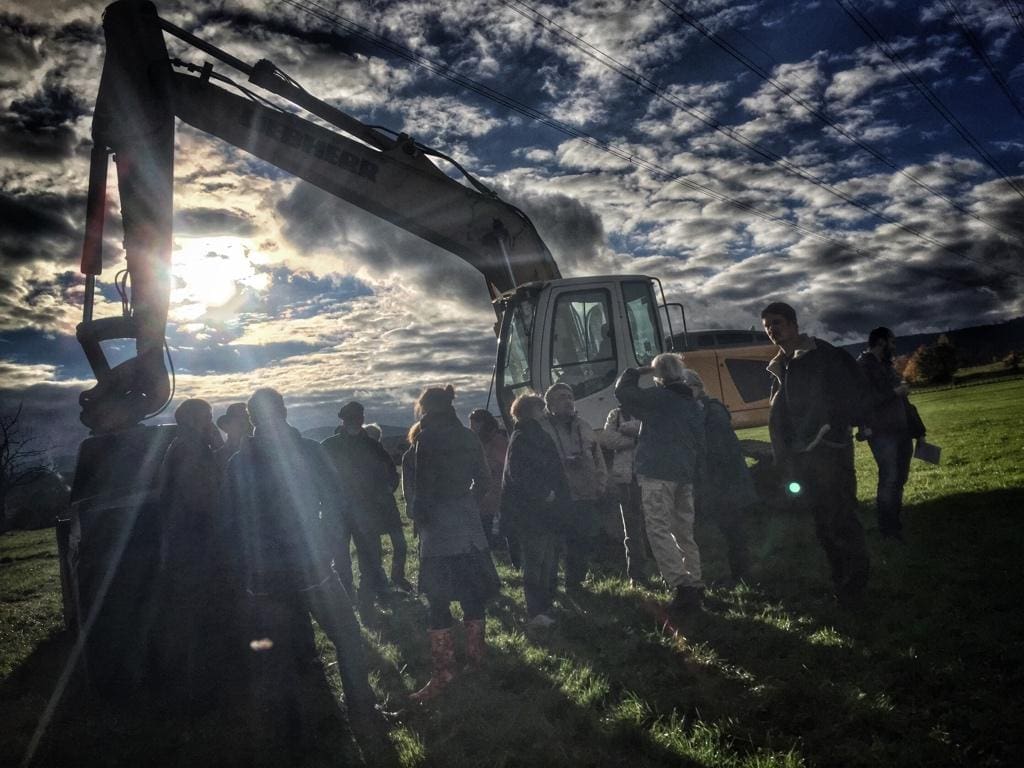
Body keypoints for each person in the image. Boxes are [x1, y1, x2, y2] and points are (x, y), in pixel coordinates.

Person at [222, 388, 384, 730]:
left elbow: (231, 521)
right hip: (312, 566)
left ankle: (298, 724)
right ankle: (360, 710)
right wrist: (326, 545)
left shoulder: (238, 462)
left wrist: (246, 569)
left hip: (266, 575)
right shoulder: (308, 451)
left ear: (252, 419)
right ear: (283, 410)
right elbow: (336, 503)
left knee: (282, 650)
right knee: (348, 637)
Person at [761, 301, 870, 607]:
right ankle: (841, 582)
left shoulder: (823, 355)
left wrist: (832, 430)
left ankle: (855, 586)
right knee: (822, 522)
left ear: (794, 324)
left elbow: (853, 392)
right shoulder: (780, 364)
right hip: (800, 457)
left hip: (828, 451)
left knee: (841, 518)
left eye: (777, 322)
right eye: (767, 325)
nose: (772, 329)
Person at [402, 385, 500, 702]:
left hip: (440, 535)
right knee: (474, 597)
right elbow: (484, 481)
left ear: (425, 408)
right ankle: (477, 662)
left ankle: (444, 673)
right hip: (470, 531)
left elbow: (420, 495)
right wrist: (465, 503)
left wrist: (424, 516)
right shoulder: (468, 437)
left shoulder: (424, 441)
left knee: (438, 601)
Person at [614, 354, 707, 612]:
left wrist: (637, 371)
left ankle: (681, 585)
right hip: (684, 474)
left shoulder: (659, 398)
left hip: (657, 471)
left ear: (658, 375)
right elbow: (701, 442)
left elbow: (623, 393)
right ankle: (696, 581)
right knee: (684, 530)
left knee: (658, 528)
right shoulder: (692, 404)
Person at [156, 398, 230, 706]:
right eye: (209, 418)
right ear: (197, 421)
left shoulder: (181, 447)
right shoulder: (191, 451)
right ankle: (201, 692)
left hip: (183, 545)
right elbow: (204, 502)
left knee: (191, 615)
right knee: (201, 615)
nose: (212, 423)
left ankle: (191, 685)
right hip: (195, 547)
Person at [500, 393, 571, 627]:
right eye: (540, 409)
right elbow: (519, 474)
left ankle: (545, 606)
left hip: (542, 511)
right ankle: (536, 610)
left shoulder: (528, 434)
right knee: (537, 562)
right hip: (533, 512)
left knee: (547, 560)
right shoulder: (524, 437)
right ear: (531, 411)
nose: (544, 413)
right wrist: (544, 493)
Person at [679, 368, 755, 584]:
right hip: (716, 481)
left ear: (697, 387)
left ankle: (742, 575)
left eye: (687, 388)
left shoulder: (712, 411)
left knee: (733, 529)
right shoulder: (698, 411)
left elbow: (719, 450)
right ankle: (736, 574)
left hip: (725, 481)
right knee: (727, 529)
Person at [320, 401, 393, 614]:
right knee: (347, 560)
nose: (355, 421)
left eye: (357, 417)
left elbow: (390, 476)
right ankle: (355, 602)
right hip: (347, 512)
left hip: (353, 512)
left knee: (363, 559)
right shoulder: (366, 446)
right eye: (352, 418)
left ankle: (362, 601)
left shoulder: (330, 446)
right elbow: (390, 476)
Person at [541, 383, 608, 593]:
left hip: (585, 493)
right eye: (561, 397)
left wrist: (601, 483)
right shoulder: (542, 428)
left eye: (570, 396)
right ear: (550, 404)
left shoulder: (584, 426)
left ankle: (575, 583)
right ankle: (550, 586)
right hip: (557, 496)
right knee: (555, 543)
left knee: (582, 539)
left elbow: (598, 458)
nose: (568, 401)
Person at [857, 326, 918, 541]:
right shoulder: (863, 367)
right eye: (892, 342)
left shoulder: (887, 366)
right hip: (882, 433)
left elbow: (903, 401)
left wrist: (918, 430)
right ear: (881, 342)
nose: (894, 346)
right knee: (889, 479)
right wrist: (894, 392)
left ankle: (895, 523)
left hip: (901, 430)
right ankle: (888, 529)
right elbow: (864, 403)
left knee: (899, 478)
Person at [601, 405, 652, 586]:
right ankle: (637, 575)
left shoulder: (647, 411)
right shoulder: (614, 414)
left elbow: (653, 435)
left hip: (647, 476)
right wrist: (636, 438)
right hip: (625, 480)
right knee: (631, 529)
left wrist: (630, 430)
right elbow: (608, 440)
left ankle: (666, 570)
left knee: (657, 525)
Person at [360, 421, 414, 592]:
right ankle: (380, 579)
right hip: (373, 509)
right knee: (376, 547)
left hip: (387, 506)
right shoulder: (363, 458)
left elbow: (393, 476)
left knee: (400, 544)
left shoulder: (382, 454)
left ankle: (396, 576)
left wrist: (390, 487)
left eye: (377, 437)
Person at [469, 408, 508, 546]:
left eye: (475, 424)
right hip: (485, 496)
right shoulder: (479, 442)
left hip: (498, 493)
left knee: (495, 532)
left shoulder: (498, 441)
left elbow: (503, 464)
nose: (472, 428)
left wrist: (487, 465)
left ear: (483, 424)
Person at [214, 402, 253, 471]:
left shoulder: (260, 450)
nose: (245, 422)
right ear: (226, 426)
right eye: (240, 423)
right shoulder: (219, 456)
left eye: (247, 419)